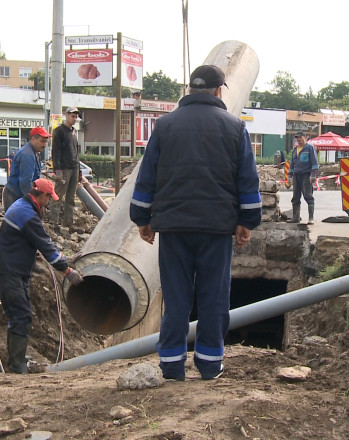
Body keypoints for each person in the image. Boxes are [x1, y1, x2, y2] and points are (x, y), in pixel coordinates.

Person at [129, 65, 262, 381]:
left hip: (174, 229)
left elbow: (147, 177)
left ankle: (172, 366)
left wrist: (142, 219)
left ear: (189, 89)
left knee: (176, 298)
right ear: (218, 91)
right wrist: (247, 221)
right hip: (216, 230)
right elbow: (247, 180)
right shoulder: (235, 128)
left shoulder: (165, 126)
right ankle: (210, 364)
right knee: (214, 298)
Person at [0, 178, 84, 373]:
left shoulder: (22, 205)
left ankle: (17, 359)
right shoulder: (27, 214)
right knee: (21, 314)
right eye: (49, 198)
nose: (49, 202)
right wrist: (67, 271)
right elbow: (45, 245)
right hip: (10, 270)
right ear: (42, 195)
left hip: (13, 268)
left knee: (17, 314)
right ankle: (17, 365)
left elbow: (28, 238)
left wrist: (39, 253)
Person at [3, 126, 51, 210]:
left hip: (16, 195)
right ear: (33, 139)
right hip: (15, 196)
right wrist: (33, 202)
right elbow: (26, 183)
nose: (44, 145)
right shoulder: (28, 155)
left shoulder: (34, 152)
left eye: (46, 142)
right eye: (42, 141)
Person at [50, 106, 81, 227]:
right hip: (64, 169)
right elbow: (56, 152)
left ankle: (68, 223)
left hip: (74, 168)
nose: (74, 119)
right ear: (66, 116)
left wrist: (79, 171)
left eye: (76, 117)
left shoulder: (74, 132)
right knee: (58, 196)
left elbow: (76, 151)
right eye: (72, 116)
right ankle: (53, 222)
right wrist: (58, 171)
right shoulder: (59, 131)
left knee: (71, 198)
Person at [287, 131, 319, 224]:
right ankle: (295, 217)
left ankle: (311, 218)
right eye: (297, 138)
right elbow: (292, 164)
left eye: (300, 137)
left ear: (305, 137)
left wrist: (313, 174)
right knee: (295, 197)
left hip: (306, 175)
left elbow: (314, 162)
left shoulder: (309, 148)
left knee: (308, 196)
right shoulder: (295, 150)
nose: (299, 139)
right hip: (296, 175)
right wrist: (290, 175)